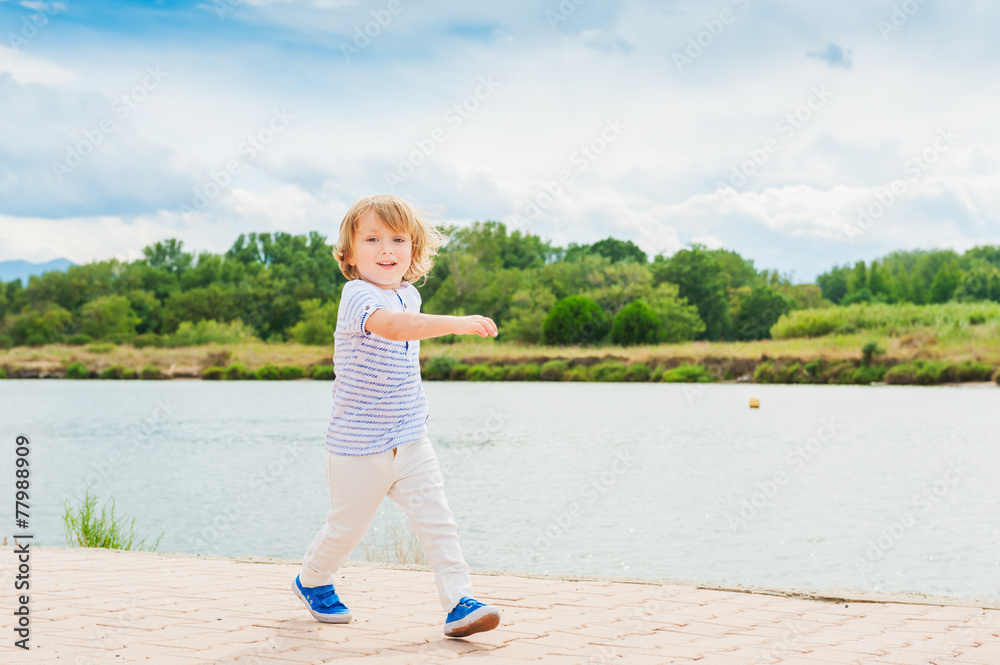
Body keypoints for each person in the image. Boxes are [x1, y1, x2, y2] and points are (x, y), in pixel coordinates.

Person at [293, 194, 501, 638]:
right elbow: (393, 328)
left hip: (409, 437)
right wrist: (458, 322)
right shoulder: (357, 295)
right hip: (357, 446)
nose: (386, 249)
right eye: (371, 239)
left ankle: (459, 602)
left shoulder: (410, 295)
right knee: (347, 528)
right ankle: (312, 578)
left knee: (437, 519)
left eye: (397, 239)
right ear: (348, 254)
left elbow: (408, 322)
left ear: (413, 251)